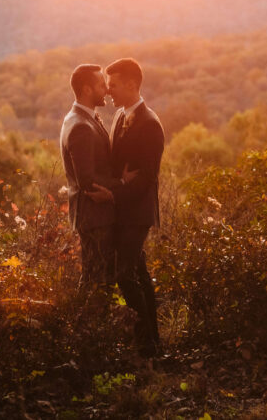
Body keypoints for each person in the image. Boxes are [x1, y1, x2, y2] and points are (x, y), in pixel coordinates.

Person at [105, 57, 164, 357]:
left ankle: (144, 344)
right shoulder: (118, 117)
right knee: (138, 275)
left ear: (131, 84)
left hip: (137, 213)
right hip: (122, 211)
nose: (108, 91)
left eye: (113, 85)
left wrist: (117, 193)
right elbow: (118, 166)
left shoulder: (151, 124)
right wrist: (118, 182)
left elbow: (146, 180)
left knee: (124, 275)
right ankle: (152, 342)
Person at [59, 64, 133, 286]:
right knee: (98, 281)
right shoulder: (81, 125)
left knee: (94, 277)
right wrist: (120, 183)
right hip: (94, 217)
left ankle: (89, 319)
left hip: (93, 216)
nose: (107, 90)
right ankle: (89, 320)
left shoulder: (79, 117)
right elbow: (87, 180)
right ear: (87, 89)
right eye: (102, 85)